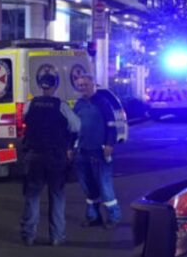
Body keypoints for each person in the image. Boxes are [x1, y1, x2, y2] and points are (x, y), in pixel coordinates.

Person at [20, 72, 80, 246]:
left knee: (32, 196)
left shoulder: (30, 104)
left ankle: (28, 235)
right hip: (55, 157)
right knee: (57, 196)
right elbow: (76, 126)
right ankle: (56, 236)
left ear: (41, 86)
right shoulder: (61, 106)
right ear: (55, 86)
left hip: (34, 155)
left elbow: (24, 121)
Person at [72, 73, 121, 229]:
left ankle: (114, 216)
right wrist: (70, 147)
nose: (82, 88)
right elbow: (73, 128)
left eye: (85, 85)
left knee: (104, 185)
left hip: (99, 151)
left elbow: (112, 125)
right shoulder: (78, 104)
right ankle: (93, 216)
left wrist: (109, 144)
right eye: (80, 85)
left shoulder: (103, 103)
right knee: (87, 186)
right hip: (82, 150)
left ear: (93, 84)